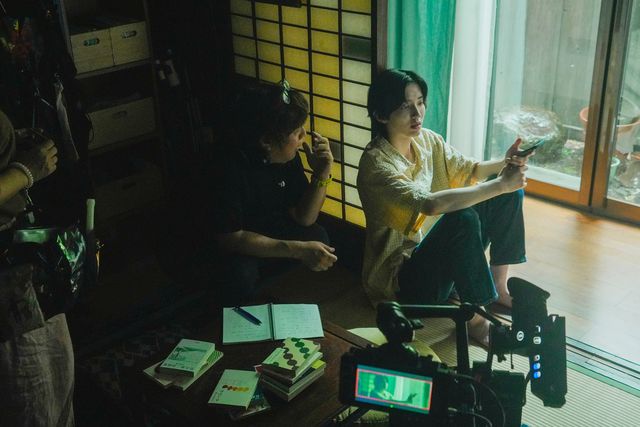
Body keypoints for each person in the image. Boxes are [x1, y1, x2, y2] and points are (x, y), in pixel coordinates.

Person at [357, 69, 531, 344]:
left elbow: (470, 170)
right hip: (404, 284)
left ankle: (498, 286)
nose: (417, 114)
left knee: (508, 194)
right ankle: (476, 319)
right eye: (405, 106)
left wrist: (504, 163)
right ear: (381, 115)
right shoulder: (376, 165)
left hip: (440, 258)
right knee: (462, 217)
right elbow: (430, 204)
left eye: (420, 103)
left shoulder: (426, 140)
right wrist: (500, 184)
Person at [201, 80, 337, 305]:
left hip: (265, 229)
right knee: (240, 275)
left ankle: (264, 295)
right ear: (266, 141)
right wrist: (297, 250)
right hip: (230, 242)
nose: (304, 135)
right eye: (296, 132)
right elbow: (231, 238)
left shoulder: (285, 156)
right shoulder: (226, 168)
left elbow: (304, 218)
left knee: (318, 237)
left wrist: (322, 172)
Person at [0, 110, 73, 426]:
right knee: (35, 398)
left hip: (18, 262)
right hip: (6, 281)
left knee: (53, 386)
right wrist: (23, 172)